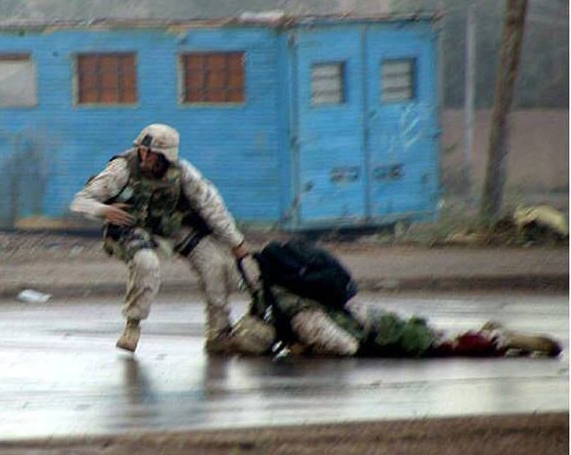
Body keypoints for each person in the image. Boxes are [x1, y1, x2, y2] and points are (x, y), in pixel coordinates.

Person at [71, 123, 252, 353]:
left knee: (215, 262)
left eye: (154, 154)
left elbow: (211, 207)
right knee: (146, 264)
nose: (146, 157)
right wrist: (104, 211)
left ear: (166, 158)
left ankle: (219, 331)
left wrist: (236, 243)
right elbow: (80, 201)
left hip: (170, 227)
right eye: (143, 151)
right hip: (131, 226)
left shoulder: (183, 173)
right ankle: (133, 324)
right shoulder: (122, 169)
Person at [229, 259, 563, 359]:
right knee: (431, 337)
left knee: (441, 347)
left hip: (377, 332)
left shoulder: (294, 309)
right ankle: (490, 338)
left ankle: (496, 339)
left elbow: (345, 346)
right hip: (370, 318)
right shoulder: (279, 294)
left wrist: (307, 353)